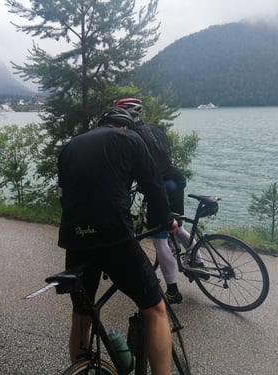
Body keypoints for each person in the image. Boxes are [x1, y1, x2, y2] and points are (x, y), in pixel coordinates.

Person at [57, 107, 177, 374]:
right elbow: (154, 185)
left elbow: (64, 196)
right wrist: (166, 221)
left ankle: (83, 368)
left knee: (81, 315)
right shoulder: (130, 139)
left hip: (75, 238)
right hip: (114, 235)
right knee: (155, 309)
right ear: (125, 126)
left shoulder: (71, 146)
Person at [115, 97, 194, 304]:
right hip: (177, 180)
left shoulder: (130, 136)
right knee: (175, 225)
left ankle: (172, 290)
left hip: (161, 187)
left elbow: (134, 168)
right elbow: (165, 156)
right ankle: (198, 263)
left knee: (159, 238)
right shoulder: (156, 129)